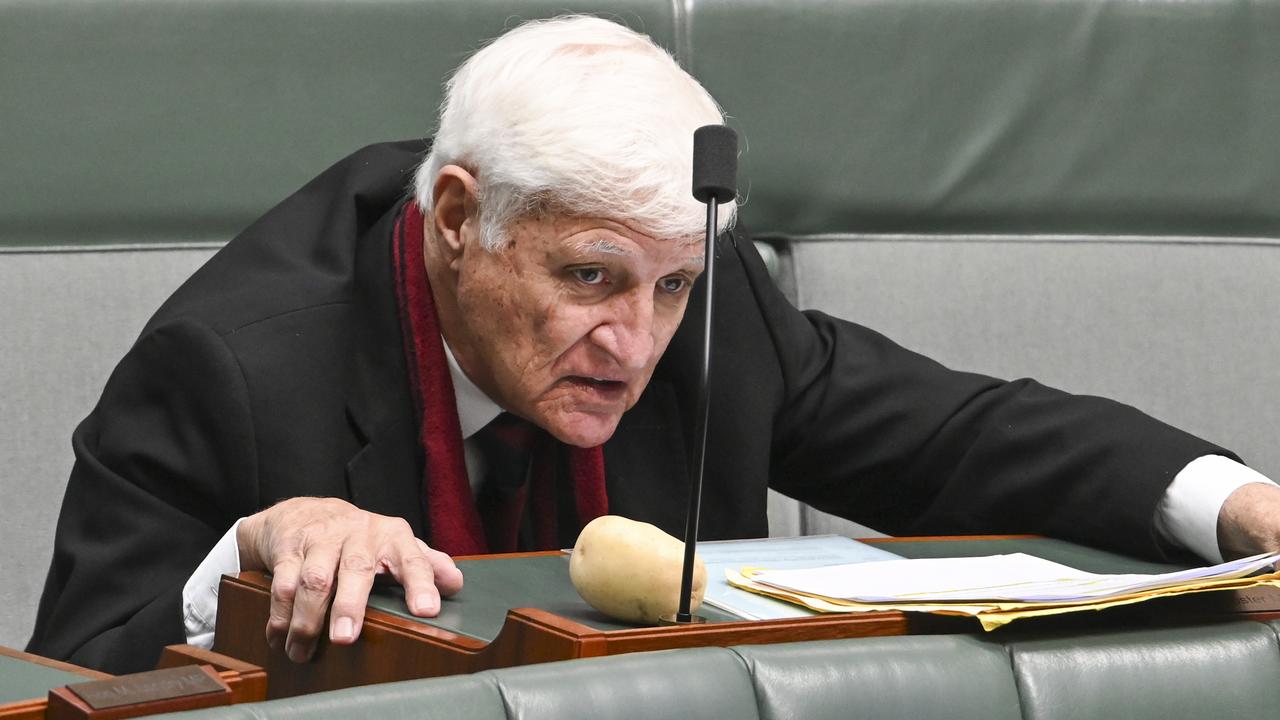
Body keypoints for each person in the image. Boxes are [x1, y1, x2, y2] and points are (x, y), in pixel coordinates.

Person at [28, 16, 1280, 674]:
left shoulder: (697, 313)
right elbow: (71, 667)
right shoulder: (229, 362)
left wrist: (1237, 505)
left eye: (673, 286)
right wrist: (238, 568)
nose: (632, 343)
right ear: (458, 219)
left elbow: (959, 437)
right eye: (586, 279)